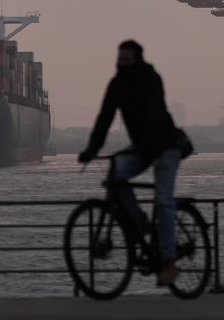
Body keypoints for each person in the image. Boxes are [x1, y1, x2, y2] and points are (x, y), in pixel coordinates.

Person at [78, 40, 182, 286]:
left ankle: (168, 262)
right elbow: (104, 118)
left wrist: (146, 143)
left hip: (165, 146)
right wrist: (91, 150)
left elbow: (156, 113)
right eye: (119, 60)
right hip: (142, 148)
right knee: (116, 175)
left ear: (137, 59)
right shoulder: (116, 85)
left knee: (164, 202)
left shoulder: (151, 78)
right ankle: (140, 224)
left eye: (126, 61)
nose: (121, 65)